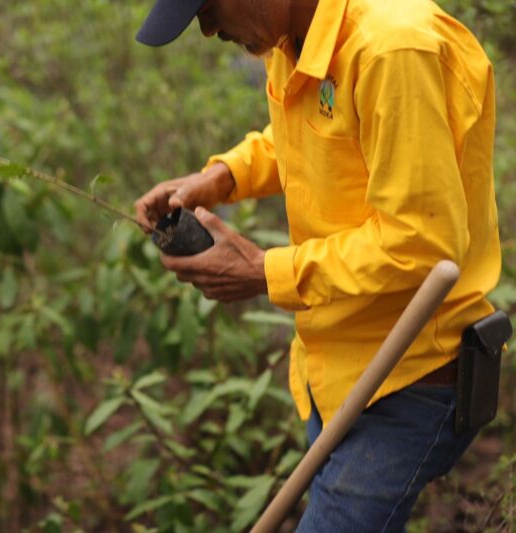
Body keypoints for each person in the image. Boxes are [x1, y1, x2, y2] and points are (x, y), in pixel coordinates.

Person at [133, 0, 502, 530]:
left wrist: (264, 270)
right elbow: (314, 136)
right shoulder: (290, 37)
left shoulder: (393, 49)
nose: (209, 29)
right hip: (332, 367)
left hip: (410, 372)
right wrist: (224, 175)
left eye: (209, 7)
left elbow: (421, 244)